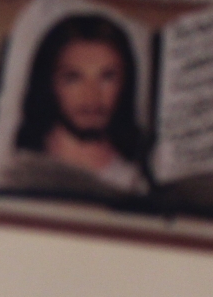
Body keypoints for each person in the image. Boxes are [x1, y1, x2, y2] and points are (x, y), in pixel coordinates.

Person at [13, 12, 147, 191]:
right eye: (73, 77)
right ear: (47, 82)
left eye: (107, 77)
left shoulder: (136, 182)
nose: (91, 96)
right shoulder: (16, 172)